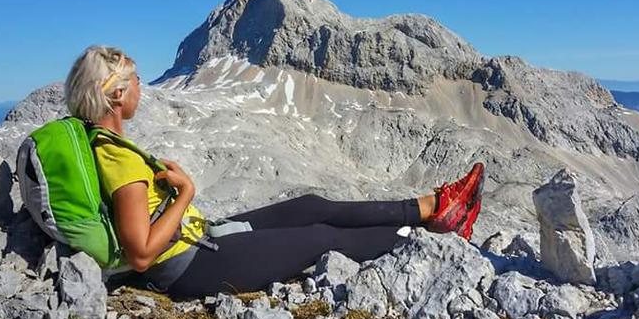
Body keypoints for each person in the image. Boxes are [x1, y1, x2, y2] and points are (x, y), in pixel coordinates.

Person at [64, 45, 485, 298]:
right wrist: (187, 192)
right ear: (117, 95)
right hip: (189, 266)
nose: (141, 87)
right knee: (321, 238)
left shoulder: (109, 145)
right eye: (135, 81)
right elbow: (140, 254)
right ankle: (429, 241)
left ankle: (433, 206)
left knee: (311, 205)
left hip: (201, 239)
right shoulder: (116, 158)